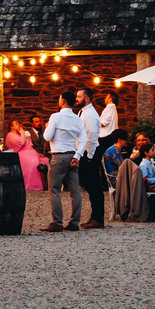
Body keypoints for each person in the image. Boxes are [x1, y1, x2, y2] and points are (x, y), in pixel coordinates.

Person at [42, 91, 88, 232]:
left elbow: (47, 136)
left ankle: (57, 222)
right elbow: (84, 139)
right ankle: (74, 222)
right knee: (75, 191)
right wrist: (77, 156)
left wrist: (47, 127)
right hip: (72, 156)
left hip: (59, 156)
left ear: (62, 101)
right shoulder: (78, 119)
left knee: (54, 190)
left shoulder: (55, 117)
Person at [74, 87, 107, 229]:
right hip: (86, 153)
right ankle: (94, 216)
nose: (76, 98)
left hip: (90, 153)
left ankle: (98, 219)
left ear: (87, 98)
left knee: (94, 186)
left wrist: (89, 157)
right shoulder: (83, 113)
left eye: (79, 96)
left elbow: (92, 136)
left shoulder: (90, 115)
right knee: (89, 186)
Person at [5, 120, 46, 191]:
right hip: (22, 154)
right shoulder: (10, 135)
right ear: (12, 127)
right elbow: (21, 143)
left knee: (46, 161)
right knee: (33, 162)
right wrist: (22, 132)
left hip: (31, 153)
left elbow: (30, 146)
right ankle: (32, 186)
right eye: (16, 123)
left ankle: (45, 185)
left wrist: (37, 153)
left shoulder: (19, 134)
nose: (19, 124)